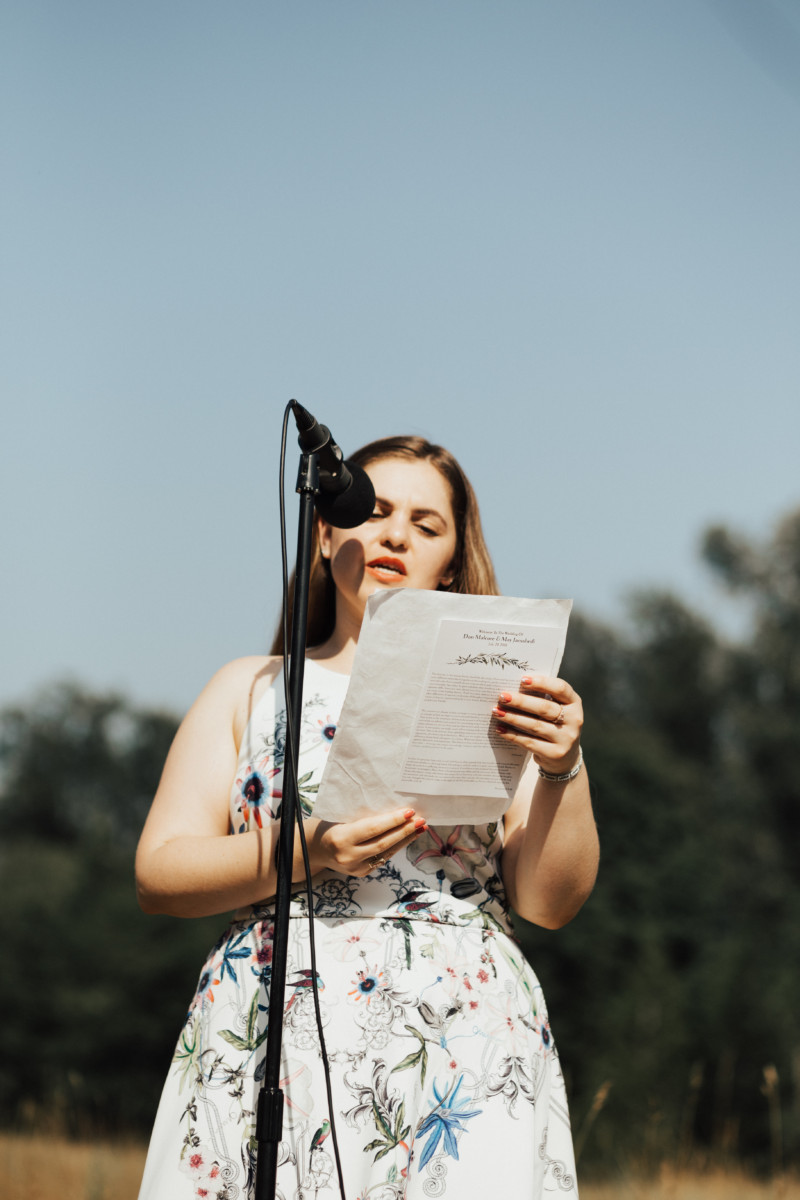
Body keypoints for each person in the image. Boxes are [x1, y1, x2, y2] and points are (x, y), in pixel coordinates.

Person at [135, 435, 599, 1200]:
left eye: (426, 524)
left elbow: (550, 903)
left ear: (451, 560)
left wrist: (563, 767)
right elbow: (159, 875)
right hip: (271, 1020)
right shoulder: (251, 687)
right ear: (324, 532)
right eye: (373, 512)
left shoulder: (503, 694)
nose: (394, 536)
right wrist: (309, 850)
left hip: (461, 1032)